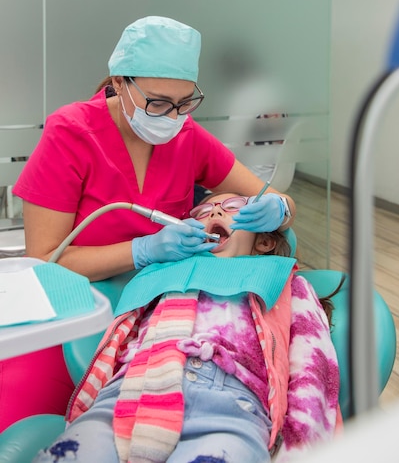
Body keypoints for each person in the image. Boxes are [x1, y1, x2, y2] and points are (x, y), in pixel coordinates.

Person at [1, 16, 296, 431]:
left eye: (183, 103)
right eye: (156, 103)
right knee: (31, 420)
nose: (171, 116)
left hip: (156, 313)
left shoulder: (186, 136)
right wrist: (143, 250)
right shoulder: (71, 133)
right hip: (76, 314)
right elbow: (44, 259)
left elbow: (271, 195)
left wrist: (280, 210)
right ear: (121, 83)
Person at [33, 192, 341, 463]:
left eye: (233, 207)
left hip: (229, 410)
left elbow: (313, 369)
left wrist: (301, 448)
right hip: (127, 396)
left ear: (263, 240)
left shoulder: (284, 281)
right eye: (202, 213)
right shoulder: (160, 274)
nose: (216, 213)